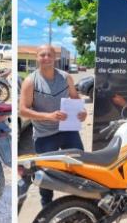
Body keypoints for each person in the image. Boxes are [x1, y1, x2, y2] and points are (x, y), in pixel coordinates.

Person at [19, 44, 87, 207]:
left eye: (49, 55)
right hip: (45, 135)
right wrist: (48, 116)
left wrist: (82, 111)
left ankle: (82, 201)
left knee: (80, 165)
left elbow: (75, 97)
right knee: (45, 173)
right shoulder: (30, 81)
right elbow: (23, 110)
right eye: (42, 55)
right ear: (37, 58)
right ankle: (47, 206)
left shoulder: (65, 77)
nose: (46, 58)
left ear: (55, 58)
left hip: (68, 130)